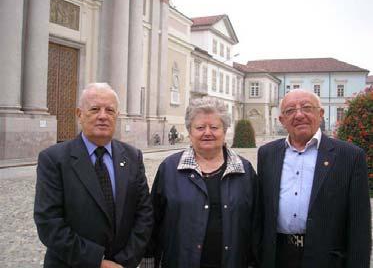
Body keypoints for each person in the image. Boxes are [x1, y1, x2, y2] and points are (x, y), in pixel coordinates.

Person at [34, 83, 153, 268]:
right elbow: (48, 222)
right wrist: (97, 262)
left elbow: (144, 213)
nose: (103, 116)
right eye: (95, 109)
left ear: (117, 116)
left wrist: (125, 260)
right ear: (79, 114)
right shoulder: (54, 159)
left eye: (110, 110)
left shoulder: (132, 157)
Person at [257, 89, 371, 268]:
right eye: (290, 111)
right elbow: (261, 212)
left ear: (321, 114)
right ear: (282, 120)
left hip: (326, 259)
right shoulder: (267, 154)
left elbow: (359, 224)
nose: (299, 115)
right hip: (277, 256)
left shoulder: (349, 156)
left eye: (306, 107)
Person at [147, 97, 261, 267]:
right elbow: (152, 222)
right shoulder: (169, 169)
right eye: (200, 127)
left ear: (225, 130)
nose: (207, 132)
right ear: (189, 131)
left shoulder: (244, 170)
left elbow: (256, 225)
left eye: (214, 127)